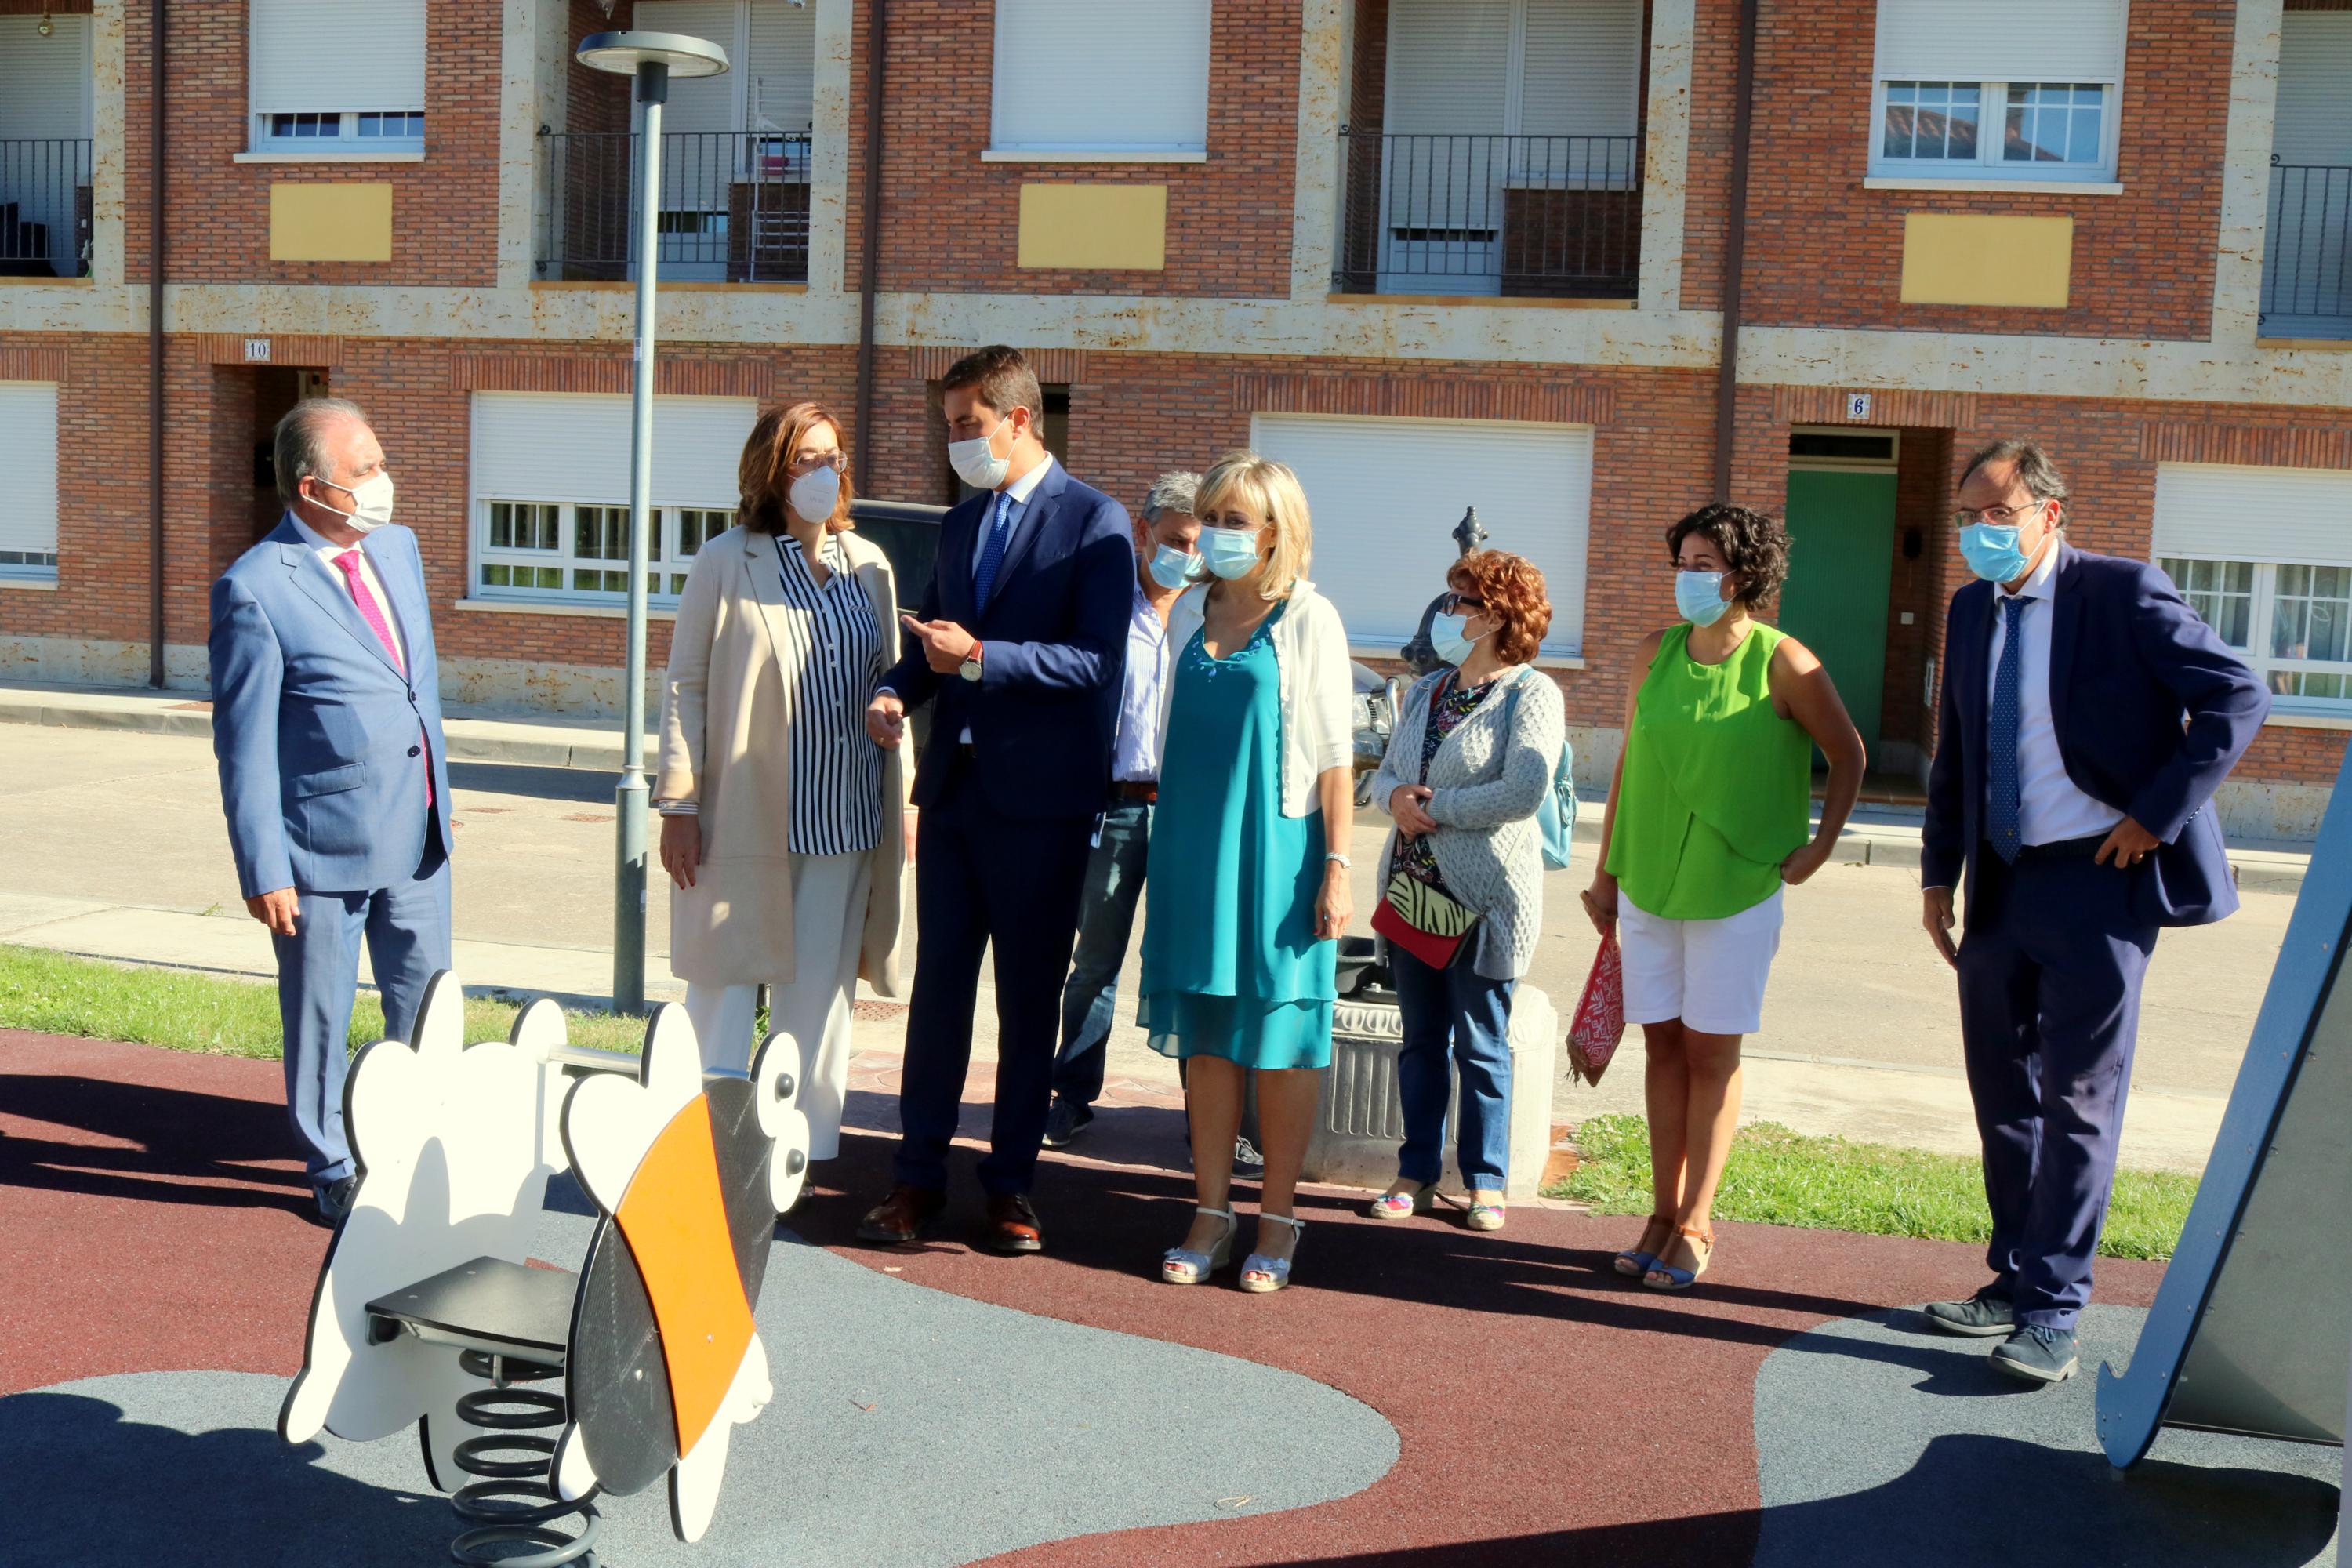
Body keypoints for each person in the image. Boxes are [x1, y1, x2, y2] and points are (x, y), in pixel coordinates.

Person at [1918, 439, 2267, 1384]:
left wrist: (2154, 815)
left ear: (2050, 514)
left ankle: (2055, 1310)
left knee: (2077, 1097)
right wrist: (1935, 874)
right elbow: (1957, 753)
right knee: (2004, 1092)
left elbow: (2239, 695)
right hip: (1998, 877)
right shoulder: (1968, 606)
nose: (1980, 534)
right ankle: (2016, 1272)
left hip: (2097, 884)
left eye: (2000, 515)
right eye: (1968, 518)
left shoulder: (2122, 592)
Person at [857, 346, 1133, 1254]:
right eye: (948, 428)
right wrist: (900, 689)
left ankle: (1011, 1186)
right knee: (937, 996)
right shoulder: (961, 523)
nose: (956, 444)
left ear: (1020, 419)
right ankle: (915, 1180)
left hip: (1043, 805)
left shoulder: (1097, 522)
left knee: (1025, 1002)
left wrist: (982, 657)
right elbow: (935, 632)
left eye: (967, 426)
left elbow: (1098, 662)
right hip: (956, 797)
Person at [1582, 504, 1864, 1292]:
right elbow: (1632, 764)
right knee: (1662, 1045)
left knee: (1713, 1050)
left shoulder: (1784, 660)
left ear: (1744, 575)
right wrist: (1605, 871)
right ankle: (1660, 1213)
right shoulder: (1654, 654)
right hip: (1647, 881)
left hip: (1736, 886)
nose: (1687, 576)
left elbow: (1848, 753)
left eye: (1704, 562)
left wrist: (1820, 845)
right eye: (1682, 560)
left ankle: (1699, 1220)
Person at [209, 398, 452, 1225]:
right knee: (320, 1016)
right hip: (320, 853)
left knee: (425, 1003)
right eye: (367, 471)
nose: (385, 483)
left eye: (382, 462)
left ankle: (414, 1140)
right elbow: (243, 746)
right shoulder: (252, 589)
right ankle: (332, 1160)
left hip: (418, 834)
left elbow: (411, 684)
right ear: (313, 488)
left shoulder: (400, 548)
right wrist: (264, 867)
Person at [653, 401, 906, 1162]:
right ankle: (706, 1151)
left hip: (845, 818)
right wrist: (679, 800)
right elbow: (684, 683)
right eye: (805, 458)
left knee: (820, 999)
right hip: (747, 814)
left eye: (833, 456)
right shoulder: (727, 558)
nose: (822, 472)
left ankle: (800, 1151)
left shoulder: (870, 564)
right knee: (727, 984)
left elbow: (890, 678)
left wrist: (892, 718)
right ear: (772, 469)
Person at [1147, 450, 1355, 1294]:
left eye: (1235, 520)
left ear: (1276, 531)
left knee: (1280, 1043)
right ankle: (1210, 1211)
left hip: (1281, 853)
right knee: (1206, 1040)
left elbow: (1337, 757)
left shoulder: (1311, 617)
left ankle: (1277, 1217)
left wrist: (1338, 866)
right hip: (1194, 850)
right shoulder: (1188, 610)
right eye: (1212, 516)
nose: (1217, 533)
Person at [1366, 550, 1566, 1234]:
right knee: (1420, 1041)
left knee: (1481, 1044)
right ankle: (1414, 1172)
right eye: (1451, 598)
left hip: (1485, 902)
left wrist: (1436, 805)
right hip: (1413, 892)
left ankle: (1487, 1182)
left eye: (1462, 602)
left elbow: (1524, 790)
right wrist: (1394, 797)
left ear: (1497, 616)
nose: (1447, 613)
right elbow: (1382, 774)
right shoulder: (1425, 691)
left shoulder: (1530, 693)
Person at [1040, 471, 1200, 1149]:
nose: (1185, 556)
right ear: (1143, 533)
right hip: (1116, 807)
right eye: (1173, 541)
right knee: (1095, 962)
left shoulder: (1214, 611)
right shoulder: (1106, 602)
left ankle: (1214, 1119)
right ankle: (1071, 1095)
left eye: (1197, 544)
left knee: (1198, 966)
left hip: (1192, 815)